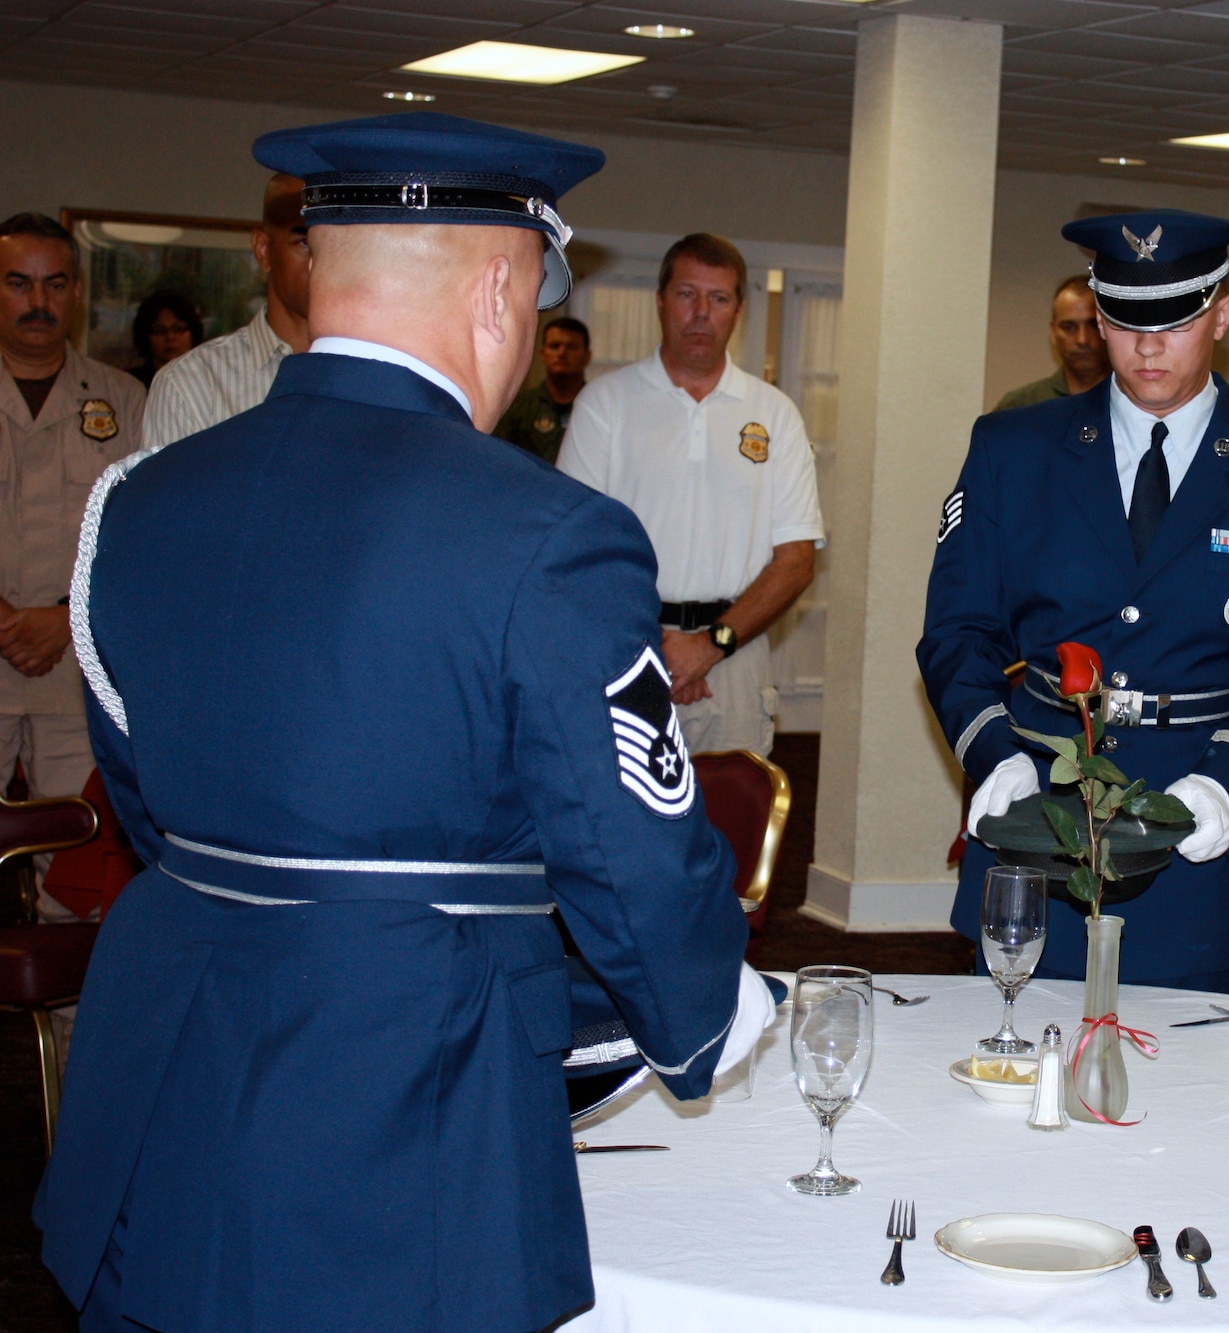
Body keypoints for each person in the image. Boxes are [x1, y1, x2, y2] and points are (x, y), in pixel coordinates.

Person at [34, 112, 767, 1333]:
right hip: (402, 1109)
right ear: (499, 291)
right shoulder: (550, 537)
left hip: (165, 1085)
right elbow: (624, 840)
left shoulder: (134, 502)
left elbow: (149, 802)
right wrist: (703, 1015)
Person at [920, 208, 1229, 992]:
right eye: (1125, 321)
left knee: (1192, 1094)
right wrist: (994, 751)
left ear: (1223, 312)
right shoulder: (1013, 448)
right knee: (1015, 1073)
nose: (1148, 346)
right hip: (1041, 822)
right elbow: (958, 631)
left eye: (1176, 319)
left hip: (1201, 827)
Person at [560, 232, 822, 757]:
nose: (701, 313)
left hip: (736, 658)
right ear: (660, 300)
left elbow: (795, 561)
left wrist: (710, 645)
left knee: (734, 829)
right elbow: (575, 552)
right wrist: (658, 648)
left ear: (738, 310)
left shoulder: (774, 414)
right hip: (630, 651)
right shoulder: (605, 405)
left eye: (718, 298)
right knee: (627, 832)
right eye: (686, 294)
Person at [0, 212, 146, 922]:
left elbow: (140, 534)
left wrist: (64, 617)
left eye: (55, 284)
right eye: (18, 283)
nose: (38, 301)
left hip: (74, 670)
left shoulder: (122, 400)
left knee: (78, 880)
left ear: (77, 292)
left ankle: (66, 1035)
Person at [143, 174, 311, 447]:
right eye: (303, 243)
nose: (322, 261)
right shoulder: (191, 385)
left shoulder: (380, 375)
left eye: (335, 244)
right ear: (263, 250)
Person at [993, 274, 1108, 411]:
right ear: (1053, 332)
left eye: (1093, 325)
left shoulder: (1134, 401)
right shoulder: (1019, 407)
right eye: (1068, 327)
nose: (1082, 340)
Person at [494, 315, 590, 462]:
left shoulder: (597, 408)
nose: (562, 353)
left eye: (572, 347)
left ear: (587, 356)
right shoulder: (517, 406)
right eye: (555, 346)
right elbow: (499, 457)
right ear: (543, 354)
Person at [127, 291, 202, 387]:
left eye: (178, 329)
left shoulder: (208, 379)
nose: (170, 336)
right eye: (159, 330)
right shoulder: (131, 384)